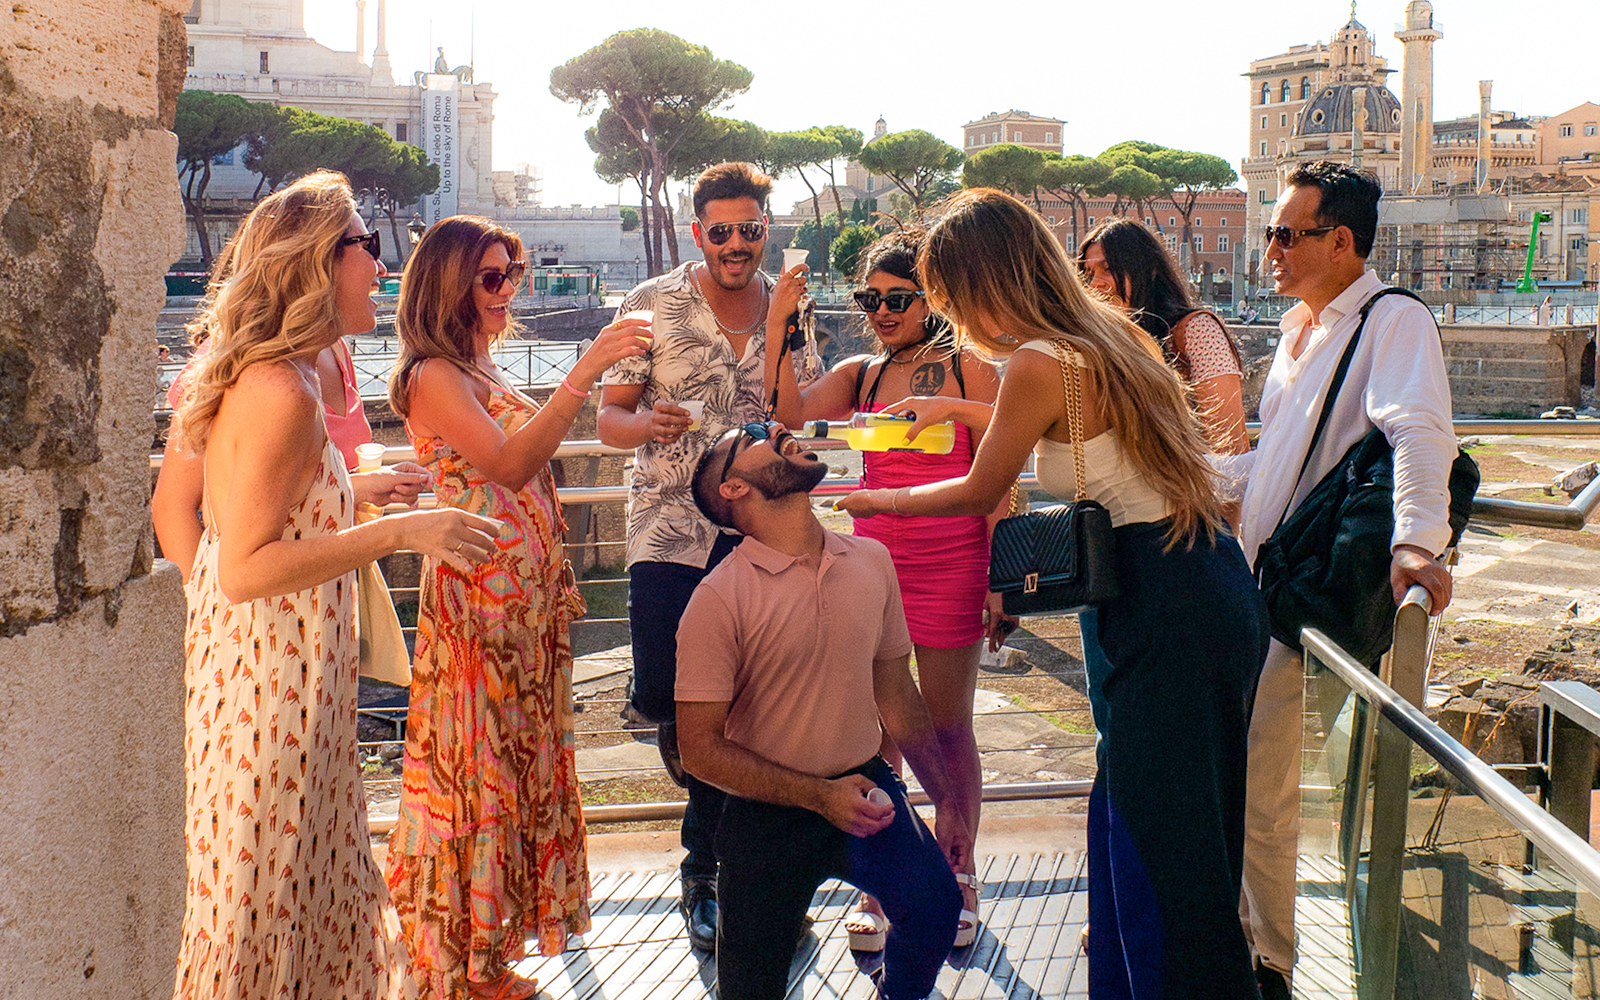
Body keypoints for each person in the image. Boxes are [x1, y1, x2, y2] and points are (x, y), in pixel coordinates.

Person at [838, 188, 1269, 1000]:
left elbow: (980, 486)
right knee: (1150, 831)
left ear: (981, 280)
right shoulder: (1106, 337)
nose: (950, 314)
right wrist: (954, 404)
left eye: (947, 290)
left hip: (1159, 605)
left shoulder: (1041, 361)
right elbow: (1058, 423)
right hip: (1197, 585)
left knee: (1161, 852)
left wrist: (876, 503)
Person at [170, 171, 501, 1000]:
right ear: (319, 259)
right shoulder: (284, 391)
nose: (383, 270)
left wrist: (349, 497)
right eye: (368, 246)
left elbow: (246, 524)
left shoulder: (275, 374)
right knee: (260, 915)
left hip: (272, 676)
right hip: (271, 687)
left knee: (294, 902)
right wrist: (398, 531)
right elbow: (244, 564)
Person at [384, 216, 649, 1000]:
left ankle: (486, 954)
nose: (508, 290)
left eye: (514, 273)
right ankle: (457, 965)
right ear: (447, 284)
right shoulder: (433, 372)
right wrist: (589, 370)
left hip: (523, 606)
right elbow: (509, 462)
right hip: (480, 605)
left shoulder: (480, 369)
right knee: (477, 774)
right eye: (491, 277)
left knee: (512, 768)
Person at [1224, 161, 1456, 1000]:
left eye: (1287, 233)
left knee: (1269, 785)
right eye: (1271, 232)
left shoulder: (1392, 322)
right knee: (1257, 779)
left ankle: (1270, 964)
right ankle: (1256, 942)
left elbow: (1422, 429)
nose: (1271, 250)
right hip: (1266, 585)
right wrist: (1190, 475)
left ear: (1342, 241)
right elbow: (1277, 462)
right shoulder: (1298, 332)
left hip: (1308, 596)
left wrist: (1418, 543)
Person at [597, 161, 814, 952]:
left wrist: (787, 324)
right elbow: (608, 418)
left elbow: (796, 419)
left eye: (749, 229)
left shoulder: (790, 308)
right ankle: (660, 702)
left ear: (766, 228)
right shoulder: (650, 304)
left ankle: (711, 870)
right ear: (698, 234)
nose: (735, 244)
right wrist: (643, 426)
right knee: (669, 692)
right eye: (719, 231)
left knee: (740, 710)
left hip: (756, 528)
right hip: (665, 523)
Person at [677, 420, 968, 999]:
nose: (778, 427)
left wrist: (947, 801)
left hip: (864, 788)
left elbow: (898, 694)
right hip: (765, 815)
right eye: (755, 433)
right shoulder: (717, 599)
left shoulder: (871, 560)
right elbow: (699, 749)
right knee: (749, 990)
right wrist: (816, 796)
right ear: (734, 488)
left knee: (937, 907)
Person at [796, 227, 1007, 949]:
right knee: (877, 735)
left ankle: (961, 875)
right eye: (870, 299)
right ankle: (887, 883)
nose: (882, 311)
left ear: (932, 299)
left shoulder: (969, 367)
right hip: (873, 571)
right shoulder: (861, 373)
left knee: (948, 729)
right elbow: (784, 408)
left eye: (897, 298)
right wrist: (782, 323)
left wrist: (1001, 578)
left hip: (953, 563)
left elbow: (1000, 475)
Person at [154, 288, 429, 581]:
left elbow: (306, 484)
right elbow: (173, 507)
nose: (381, 267)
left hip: (337, 582)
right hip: (269, 605)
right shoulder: (232, 356)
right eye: (363, 244)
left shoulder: (333, 348)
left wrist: (367, 483)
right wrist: (205, 609)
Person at [1077, 218, 1249, 455]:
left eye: (1109, 269)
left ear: (1149, 271)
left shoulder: (1197, 332)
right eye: (1087, 274)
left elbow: (1231, 446)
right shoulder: (1099, 344)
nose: (1095, 284)